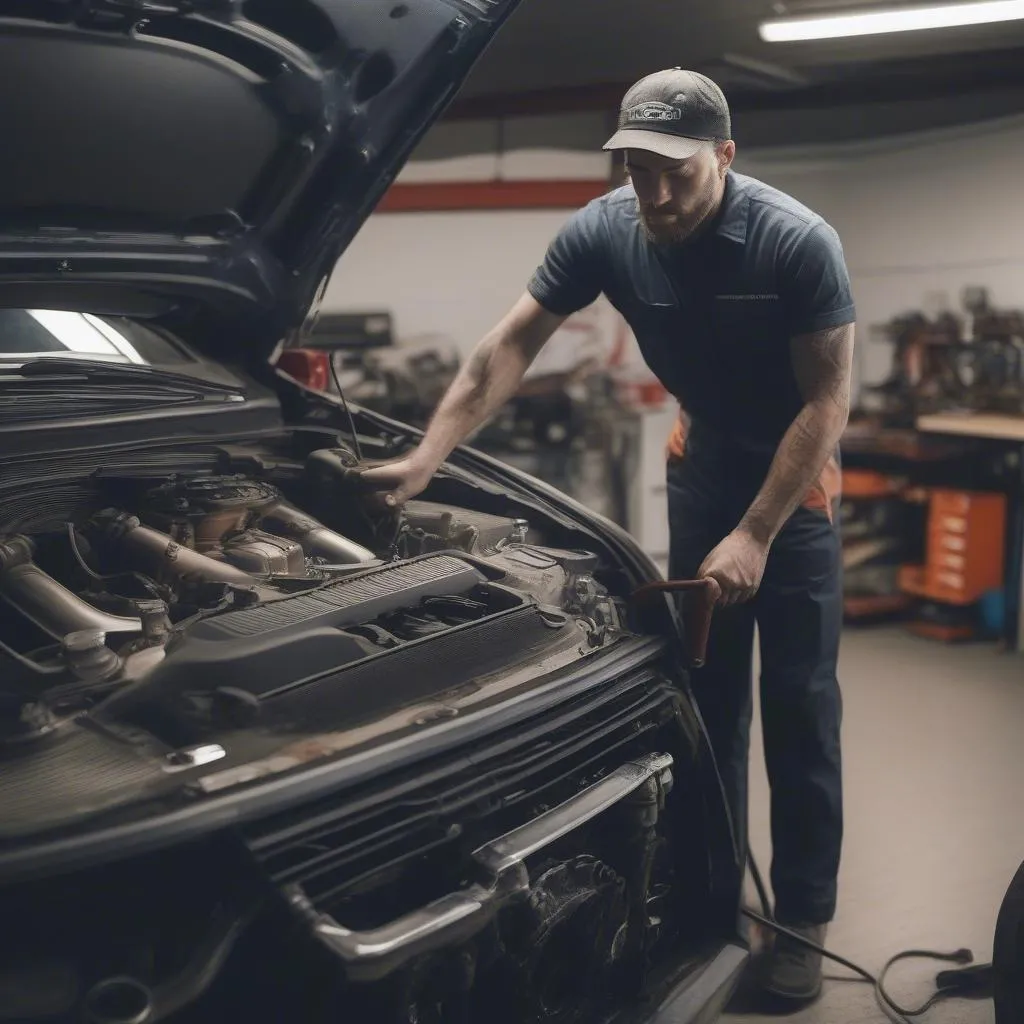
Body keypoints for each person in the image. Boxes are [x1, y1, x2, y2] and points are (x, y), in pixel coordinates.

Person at [359, 68, 855, 1003]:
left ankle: (802, 921)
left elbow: (829, 401)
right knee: (708, 701)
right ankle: (715, 901)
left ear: (725, 156)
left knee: (799, 706)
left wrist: (756, 532)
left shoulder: (796, 243)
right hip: (703, 462)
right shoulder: (604, 227)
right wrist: (428, 454)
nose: (654, 192)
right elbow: (511, 343)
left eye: (675, 170)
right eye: (634, 166)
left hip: (795, 484)